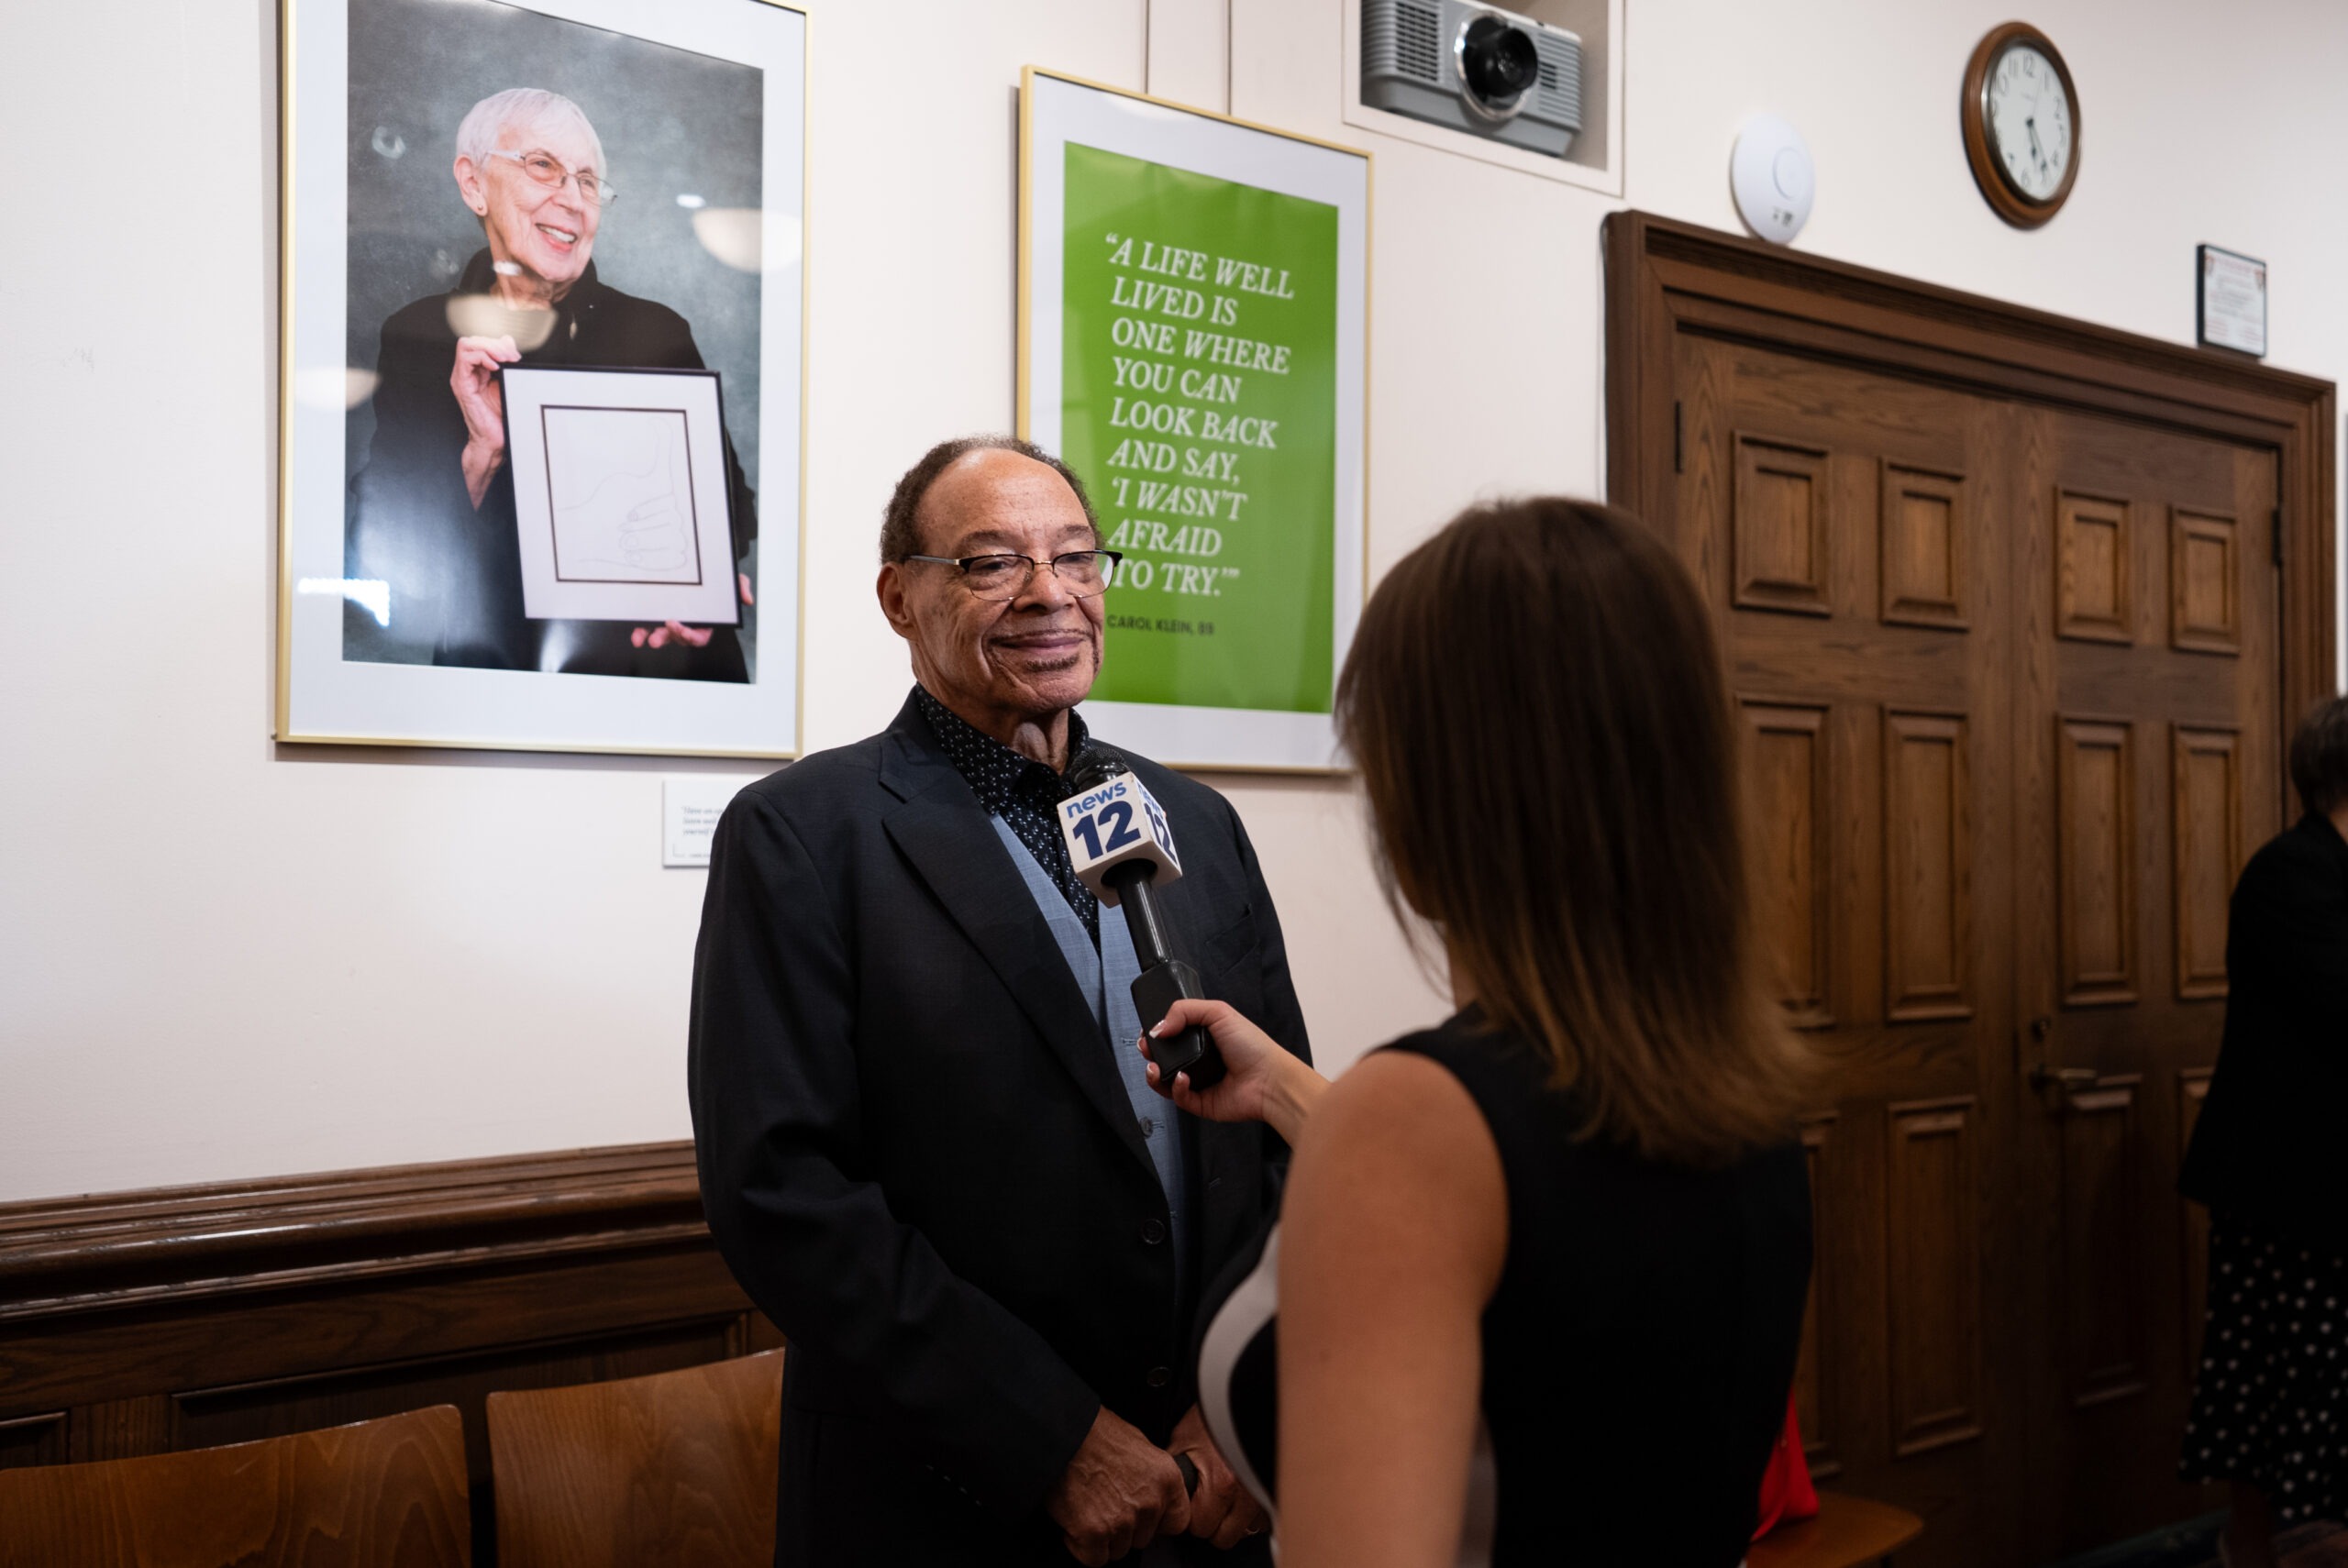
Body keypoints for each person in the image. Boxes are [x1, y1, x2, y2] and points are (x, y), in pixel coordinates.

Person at [1138, 497, 1818, 1567]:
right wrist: (1279, 1089)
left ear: (1432, 800)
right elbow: (1530, 1221)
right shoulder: (1738, 1091)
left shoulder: (1412, 1122)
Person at [689, 435, 1307, 1566]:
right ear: (898, 598)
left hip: (1203, 1498)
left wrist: (1238, 1401)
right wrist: (1054, 1442)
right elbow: (782, 1191)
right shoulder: (802, 836)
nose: (1049, 594)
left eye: (1077, 558)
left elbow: (1276, 1143)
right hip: (948, 1496)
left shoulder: (1199, 824)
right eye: (990, 564)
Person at [347, 86, 754, 679]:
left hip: (659, 679)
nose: (573, 200)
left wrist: (692, 579)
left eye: (588, 183)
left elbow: (733, 510)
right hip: (504, 686)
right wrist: (482, 454)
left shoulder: (656, 332)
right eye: (544, 167)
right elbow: (385, 556)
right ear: (474, 184)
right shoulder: (419, 341)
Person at [2178, 695, 2348, 1568]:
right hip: (2288, 1192)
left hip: (2327, 1187)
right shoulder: (2291, 873)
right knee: (2267, 1388)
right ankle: (2249, 1547)